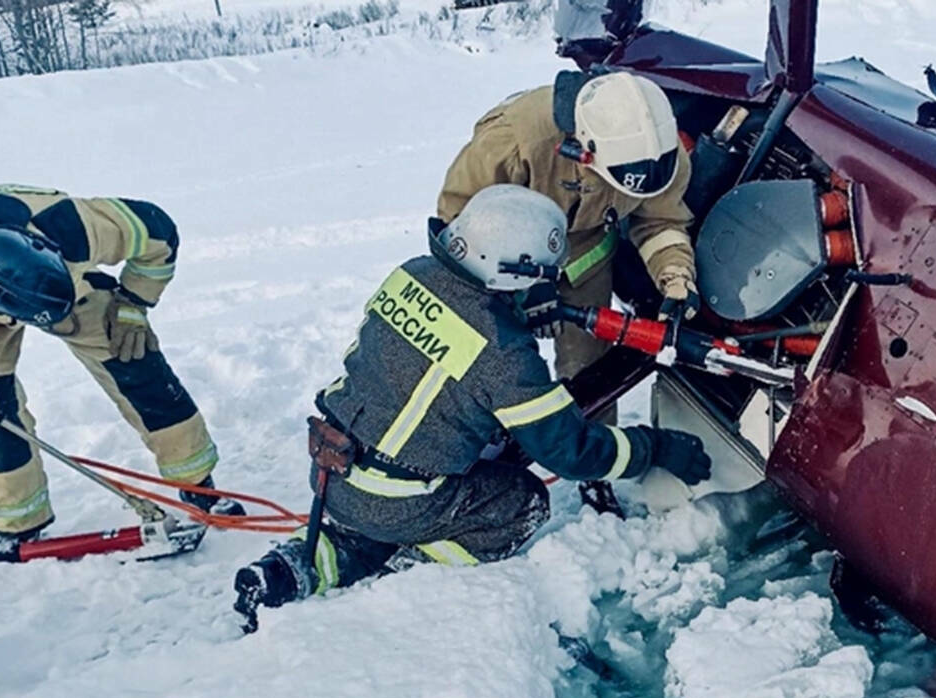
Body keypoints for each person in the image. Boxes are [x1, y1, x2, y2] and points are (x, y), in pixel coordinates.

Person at [233, 185, 710, 629]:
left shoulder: (412, 274)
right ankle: (411, 570)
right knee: (521, 501)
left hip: (334, 468)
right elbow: (571, 452)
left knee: (363, 528)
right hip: (399, 497)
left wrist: (511, 311)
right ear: (513, 276)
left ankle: (287, 570)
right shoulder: (504, 355)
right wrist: (654, 448)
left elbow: (442, 348)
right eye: (542, 278)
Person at [437, 70, 699, 516]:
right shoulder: (514, 140)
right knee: (489, 361)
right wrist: (528, 284)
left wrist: (676, 279)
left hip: (584, 253)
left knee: (590, 365)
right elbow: (458, 220)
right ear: (583, 150)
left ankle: (594, 470)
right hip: (498, 256)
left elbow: (660, 220)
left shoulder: (658, 153)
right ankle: (467, 456)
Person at [0, 185, 241, 564]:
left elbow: (159, 234)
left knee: (136, 363)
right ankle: (19, 523)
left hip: (71, 290)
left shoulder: (73, 226)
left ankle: (198, 485)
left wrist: (133, 305)